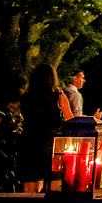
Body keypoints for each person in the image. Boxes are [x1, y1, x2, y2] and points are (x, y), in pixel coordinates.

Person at [18, 64, 73, 193]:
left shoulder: (26, 97)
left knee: (30, 184)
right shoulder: (58, 96)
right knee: (54, 182)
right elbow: (70, 120)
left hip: (29, 143)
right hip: (51, 144)